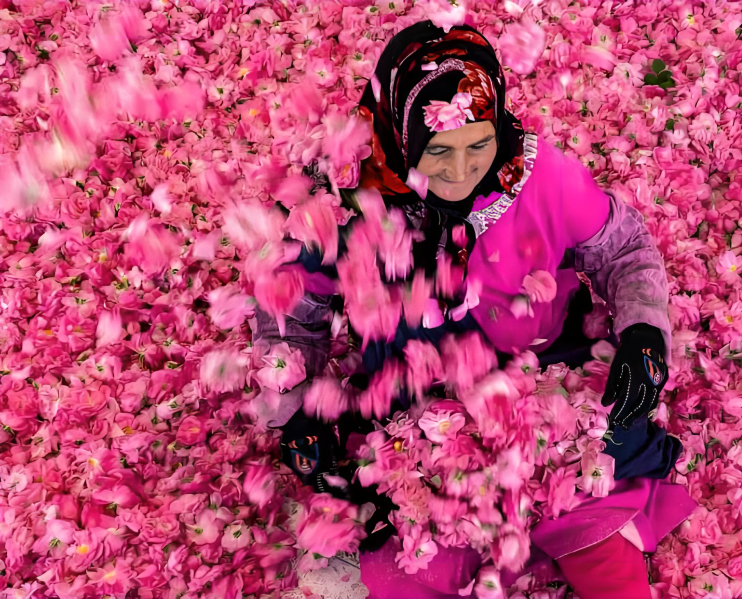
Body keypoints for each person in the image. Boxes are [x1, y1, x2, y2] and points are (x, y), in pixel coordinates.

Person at [250, 21, 696, 599]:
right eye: (438, 150)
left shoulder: (536, 177)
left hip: (544, 378)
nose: (461, 174)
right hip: (423, 409)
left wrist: (643, 332)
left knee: (590, 507)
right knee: (409, 564)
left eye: (477, 146)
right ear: (402, 138)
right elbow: (289, 303)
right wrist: (297, 408)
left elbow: (624, 247)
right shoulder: (345, 204)